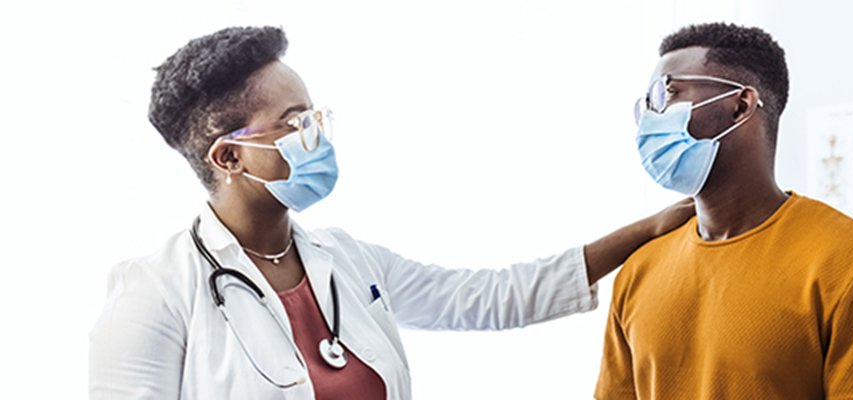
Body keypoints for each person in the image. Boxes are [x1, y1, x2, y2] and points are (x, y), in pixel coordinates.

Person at [89, 26, 694, 400]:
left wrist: (644, 232)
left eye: (316, 115)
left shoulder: (348, 261)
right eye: (295, 122)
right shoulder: (157, 292)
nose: (316, 134)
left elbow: (487, 297)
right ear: (229, 157)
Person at [595, 23, 853, 400]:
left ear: (740, 106)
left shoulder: (852, 263)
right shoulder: (638, 270)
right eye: (647, 103)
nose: (650, 117)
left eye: (668, 94)